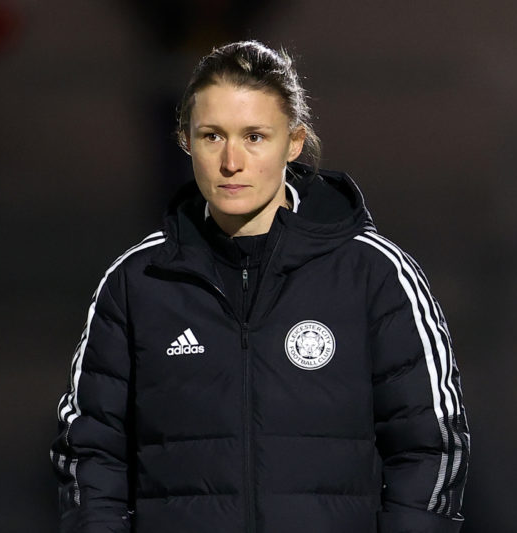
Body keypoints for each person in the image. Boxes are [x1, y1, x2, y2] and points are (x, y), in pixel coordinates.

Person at [51, 40, 469, 533]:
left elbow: (431, 444)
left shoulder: (374, 275)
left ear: (293, 142)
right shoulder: (137, 282)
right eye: (212, 136)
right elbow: (90, 449)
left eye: (254, 137)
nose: (232, 161)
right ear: (185, 140)